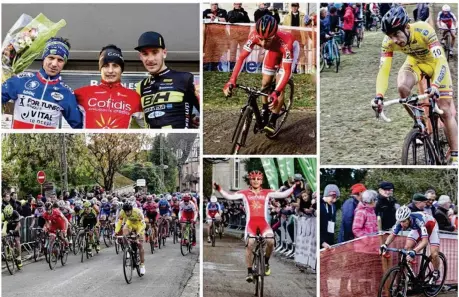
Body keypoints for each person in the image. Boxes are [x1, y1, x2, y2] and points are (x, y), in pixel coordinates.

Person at [373, 6, 458, 165]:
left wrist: (435, 85)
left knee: (445, 110)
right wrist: (379, 96)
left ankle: (455, 156)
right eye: (390, 36)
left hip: (436, 65)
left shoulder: (424, 30)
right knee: (402, 87)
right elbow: (383, 71)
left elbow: (440, 61)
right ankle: (420, 123)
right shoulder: (388, 42)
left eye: (397, 34)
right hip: (415, 64)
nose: (395, 40)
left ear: (406, 27)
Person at [214, 170, 295, 282]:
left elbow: (283, 194)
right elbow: (229, 196)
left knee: (271, 241)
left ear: (261, 181)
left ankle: (266, 262)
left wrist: (295, 186)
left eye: (258, 179)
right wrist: (219, 189)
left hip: (263, 223)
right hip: (251, 223)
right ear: (250, 180)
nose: (256, 181)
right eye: (253, 179)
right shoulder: (244, 193)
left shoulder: (267, 192)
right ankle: (249, 272)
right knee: (250, 244)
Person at [223, 15, 297, 135]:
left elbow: (287, 71)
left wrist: (276, 92)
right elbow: (241, 58)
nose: (263, 43)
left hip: (288, 50)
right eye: (261, 39)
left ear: (274, 35)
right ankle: (265, 110)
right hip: (273, 51)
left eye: (267, 40)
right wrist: (232, 80)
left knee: (280, 86)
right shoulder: (254, 35)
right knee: (265, 83)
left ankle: (273, 120)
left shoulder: (286, 42)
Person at [2, 37, 83, 129]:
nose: (54, 64)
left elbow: (79, 127)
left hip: (45, 143)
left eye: (60, 60)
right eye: (51, 58)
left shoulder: (66, 93)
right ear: (44, 58)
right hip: (16, 142)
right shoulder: (21, 80)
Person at [135, 31, 200, 129]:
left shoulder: (186, 78)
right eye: (145, 54)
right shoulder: (140, 86)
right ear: (140, 57)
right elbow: (139, 123)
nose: (150, 59)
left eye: (155, 52)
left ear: (164, 53)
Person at [75, 45, 143, 128]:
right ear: (100, 68)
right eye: (106, 66)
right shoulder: (81, 93)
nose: (110, 71)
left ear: (121, 69)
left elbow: (146, 127)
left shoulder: (134, 97)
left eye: (115, 66)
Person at [380, 205, 441, 283]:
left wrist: (414, 251)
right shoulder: (400, 221)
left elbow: (425, 242)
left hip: (431, 227)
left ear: (409, 219)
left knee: (434, 254)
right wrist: (385, 244)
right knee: (407, 247)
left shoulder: (418, 221)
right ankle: (410, 274)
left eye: (404, 221)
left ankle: (436, 272)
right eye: (400, 221)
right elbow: (392, 235)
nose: (402, 224)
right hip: (417, 229)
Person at [115, 202, 146, 275]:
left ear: (131, 210)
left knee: (140, 245)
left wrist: (139, 233)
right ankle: (128, 248)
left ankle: (142, 265)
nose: (127, 213)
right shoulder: (122, 212)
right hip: (130, 224)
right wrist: (116, 232)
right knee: (124, 233)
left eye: (128, 211)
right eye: (126, 211)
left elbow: (143, 224)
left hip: (139, 225)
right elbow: (119, 223)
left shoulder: (138, 212)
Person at [320, 184, 339, 249]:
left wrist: (331, 241)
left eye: (336, 198)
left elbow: (332, 223)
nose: (334, 200)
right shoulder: (319, 205)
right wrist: (321, 242)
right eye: (333, 197)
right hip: (320, 242)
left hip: (329, 241)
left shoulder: (333, 206)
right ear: (327, 195)